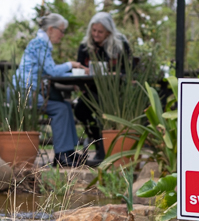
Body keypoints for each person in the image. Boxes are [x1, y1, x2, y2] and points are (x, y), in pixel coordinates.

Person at [13, 13, 87, 167]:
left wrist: (73, 73)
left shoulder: (40, 43)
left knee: (65, 105)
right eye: (62, 31)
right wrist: (71, 65)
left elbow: (49, 71)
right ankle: (61, 156)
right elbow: (52, 70)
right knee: (60, 108)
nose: (62, 35)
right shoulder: (40, 43)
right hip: (24, 93)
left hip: (30, 91)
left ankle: (68, 152)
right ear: (51, 29)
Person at [75, 12, 132, 164]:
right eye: (94, 31)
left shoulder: (120, 45)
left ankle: (102, 153)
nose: (96, 34)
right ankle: (96, 138)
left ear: (108, 32)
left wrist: (115, 73)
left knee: (103, 112)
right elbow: (79, 65)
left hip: (114, 94)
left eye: (100, 32)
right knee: (80, 110)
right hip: (92, 90)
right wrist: (84, 70)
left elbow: (128, 70)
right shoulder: (85, 46)